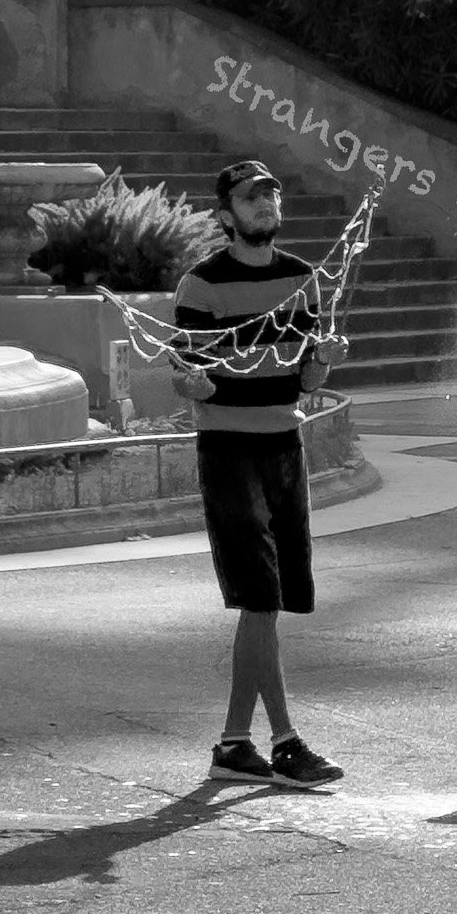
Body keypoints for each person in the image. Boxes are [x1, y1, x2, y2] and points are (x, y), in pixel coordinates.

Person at [171, 159, 349, 790]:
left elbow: (306, 380)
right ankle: (284, 742)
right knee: (260, 600)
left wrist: (322, 362)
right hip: (229, 450)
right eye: (252, 196)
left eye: (273, 192)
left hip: (283, 446)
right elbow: (192, 377)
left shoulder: (303, 279)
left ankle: (234, 743)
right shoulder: (202, 286)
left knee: (268, 605)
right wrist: (191, 381)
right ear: (227, 215)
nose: (267, 201)